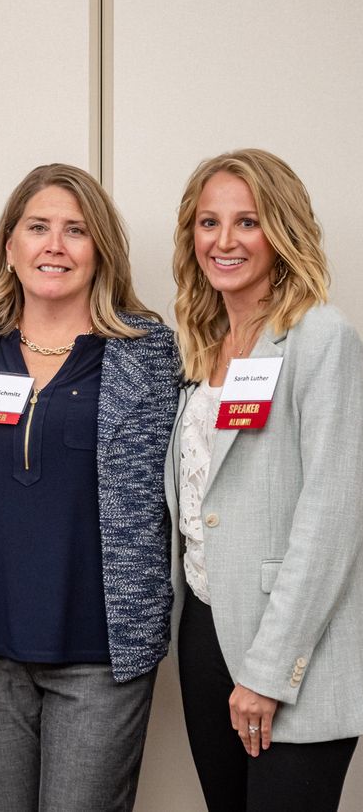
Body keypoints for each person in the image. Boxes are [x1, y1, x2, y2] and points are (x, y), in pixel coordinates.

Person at [0, 164, 180, 812]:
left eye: (75, 230)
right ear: (10, 246)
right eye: (38, 227)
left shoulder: (147, 352)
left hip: (99, 652)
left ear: (100, 248)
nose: (55, 245)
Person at [168, 149, 363, 812]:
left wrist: (269, 671)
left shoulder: (320, 338)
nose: (224, 241)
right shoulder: (202, 344)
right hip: (204, 629)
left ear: (281, 231)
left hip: (288, 645)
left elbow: (331, 519)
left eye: (246, 222)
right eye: (208, 222)